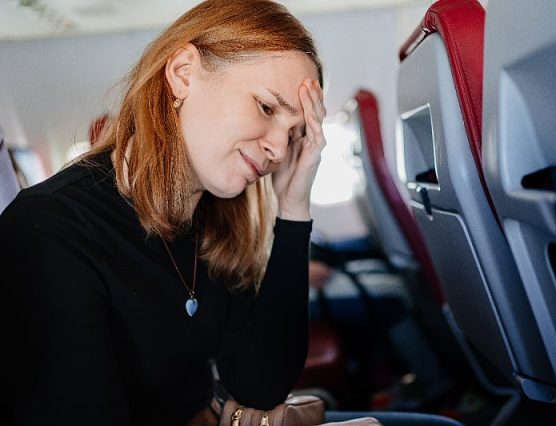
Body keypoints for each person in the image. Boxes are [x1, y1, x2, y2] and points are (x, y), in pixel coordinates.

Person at [0, 0, 326, 425]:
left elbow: (259, 385)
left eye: (294, 134)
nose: (279, 150)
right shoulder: (49, 230)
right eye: (266, 107)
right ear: (184, 74)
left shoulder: (215, 220)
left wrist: (294, 210)